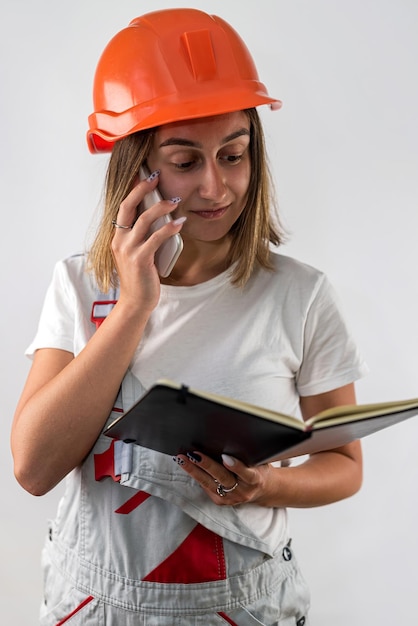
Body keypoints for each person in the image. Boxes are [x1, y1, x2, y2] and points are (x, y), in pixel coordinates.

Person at [11, 8, 368, 626]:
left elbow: (344, 467)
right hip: (94, 606)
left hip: (241, 607)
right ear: (136, 172)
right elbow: (34, 468)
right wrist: (134, 305)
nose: (216, 187)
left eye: (234, 154)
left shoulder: (300, 296)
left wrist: (268, 485)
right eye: (184, 162)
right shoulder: (77, 284)